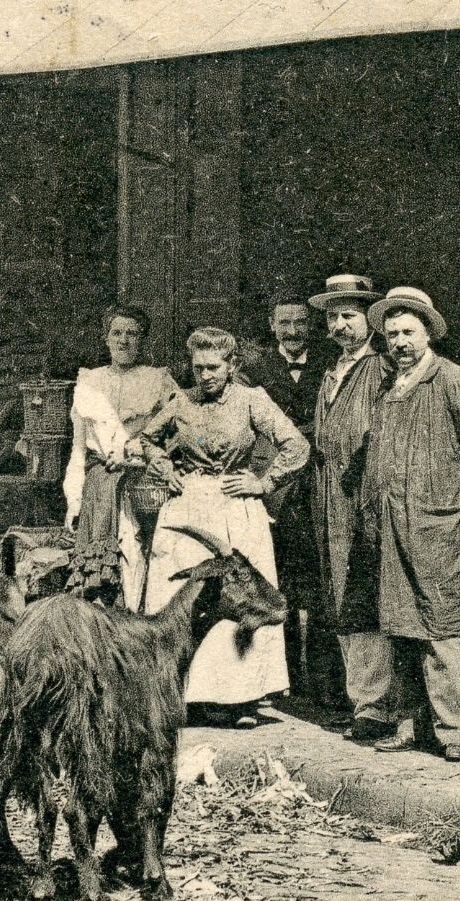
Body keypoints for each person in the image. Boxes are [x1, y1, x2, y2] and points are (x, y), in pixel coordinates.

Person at [139, 327, 309, 721]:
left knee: (239, 598)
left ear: (232, 366)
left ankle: (240, 698)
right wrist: (164, 466)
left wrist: (263, 481)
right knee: (185, 599)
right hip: (188, 508)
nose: (206, 376)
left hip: (236, 509)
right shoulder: (180, 401)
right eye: (198, 368)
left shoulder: (252, 400)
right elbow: (146, 439)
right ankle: (184, 695)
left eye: (214, 367)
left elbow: (296, 445)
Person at [359, 288, 460, 762]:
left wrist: (449, 508)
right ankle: (408, 725)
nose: (399, 342)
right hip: (392, 527)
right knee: (398, 626)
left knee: (439, 628)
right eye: (392, 333)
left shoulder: (454, 382)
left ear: (428, 333)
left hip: (438, 528)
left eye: (408, 333)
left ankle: (455, 732)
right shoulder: (387, 387)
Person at [308, 274, 396, 738]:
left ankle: (376, 707)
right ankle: (359, 698)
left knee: (364, 598)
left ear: (370, 321)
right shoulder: (332, 371)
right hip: (330, 501)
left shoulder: (380, 371)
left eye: (349, 316)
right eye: (332, 317)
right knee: (339, 597)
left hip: (363, 501)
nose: (340, 326)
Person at [62, 305, 179, 608]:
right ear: (106, 339)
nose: (124, 341)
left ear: (143, 340)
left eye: (132, 334)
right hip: (99, 484)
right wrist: (73, 500)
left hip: (143, 482)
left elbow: (178, 435)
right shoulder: (90, 381)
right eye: (117, 333)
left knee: (137, 555)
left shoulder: (158, 380)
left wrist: (141, 453)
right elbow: (78, 450)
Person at [239, 294, 325, 694]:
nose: (293, 331)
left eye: (300, 323)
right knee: (279, 578)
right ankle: (282, 679)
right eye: (284, 323)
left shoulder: (327, 364)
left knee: (320, 581)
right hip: (272, 482)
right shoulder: (252, 369)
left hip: (319, 481)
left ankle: (324, 682)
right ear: (272, 326)